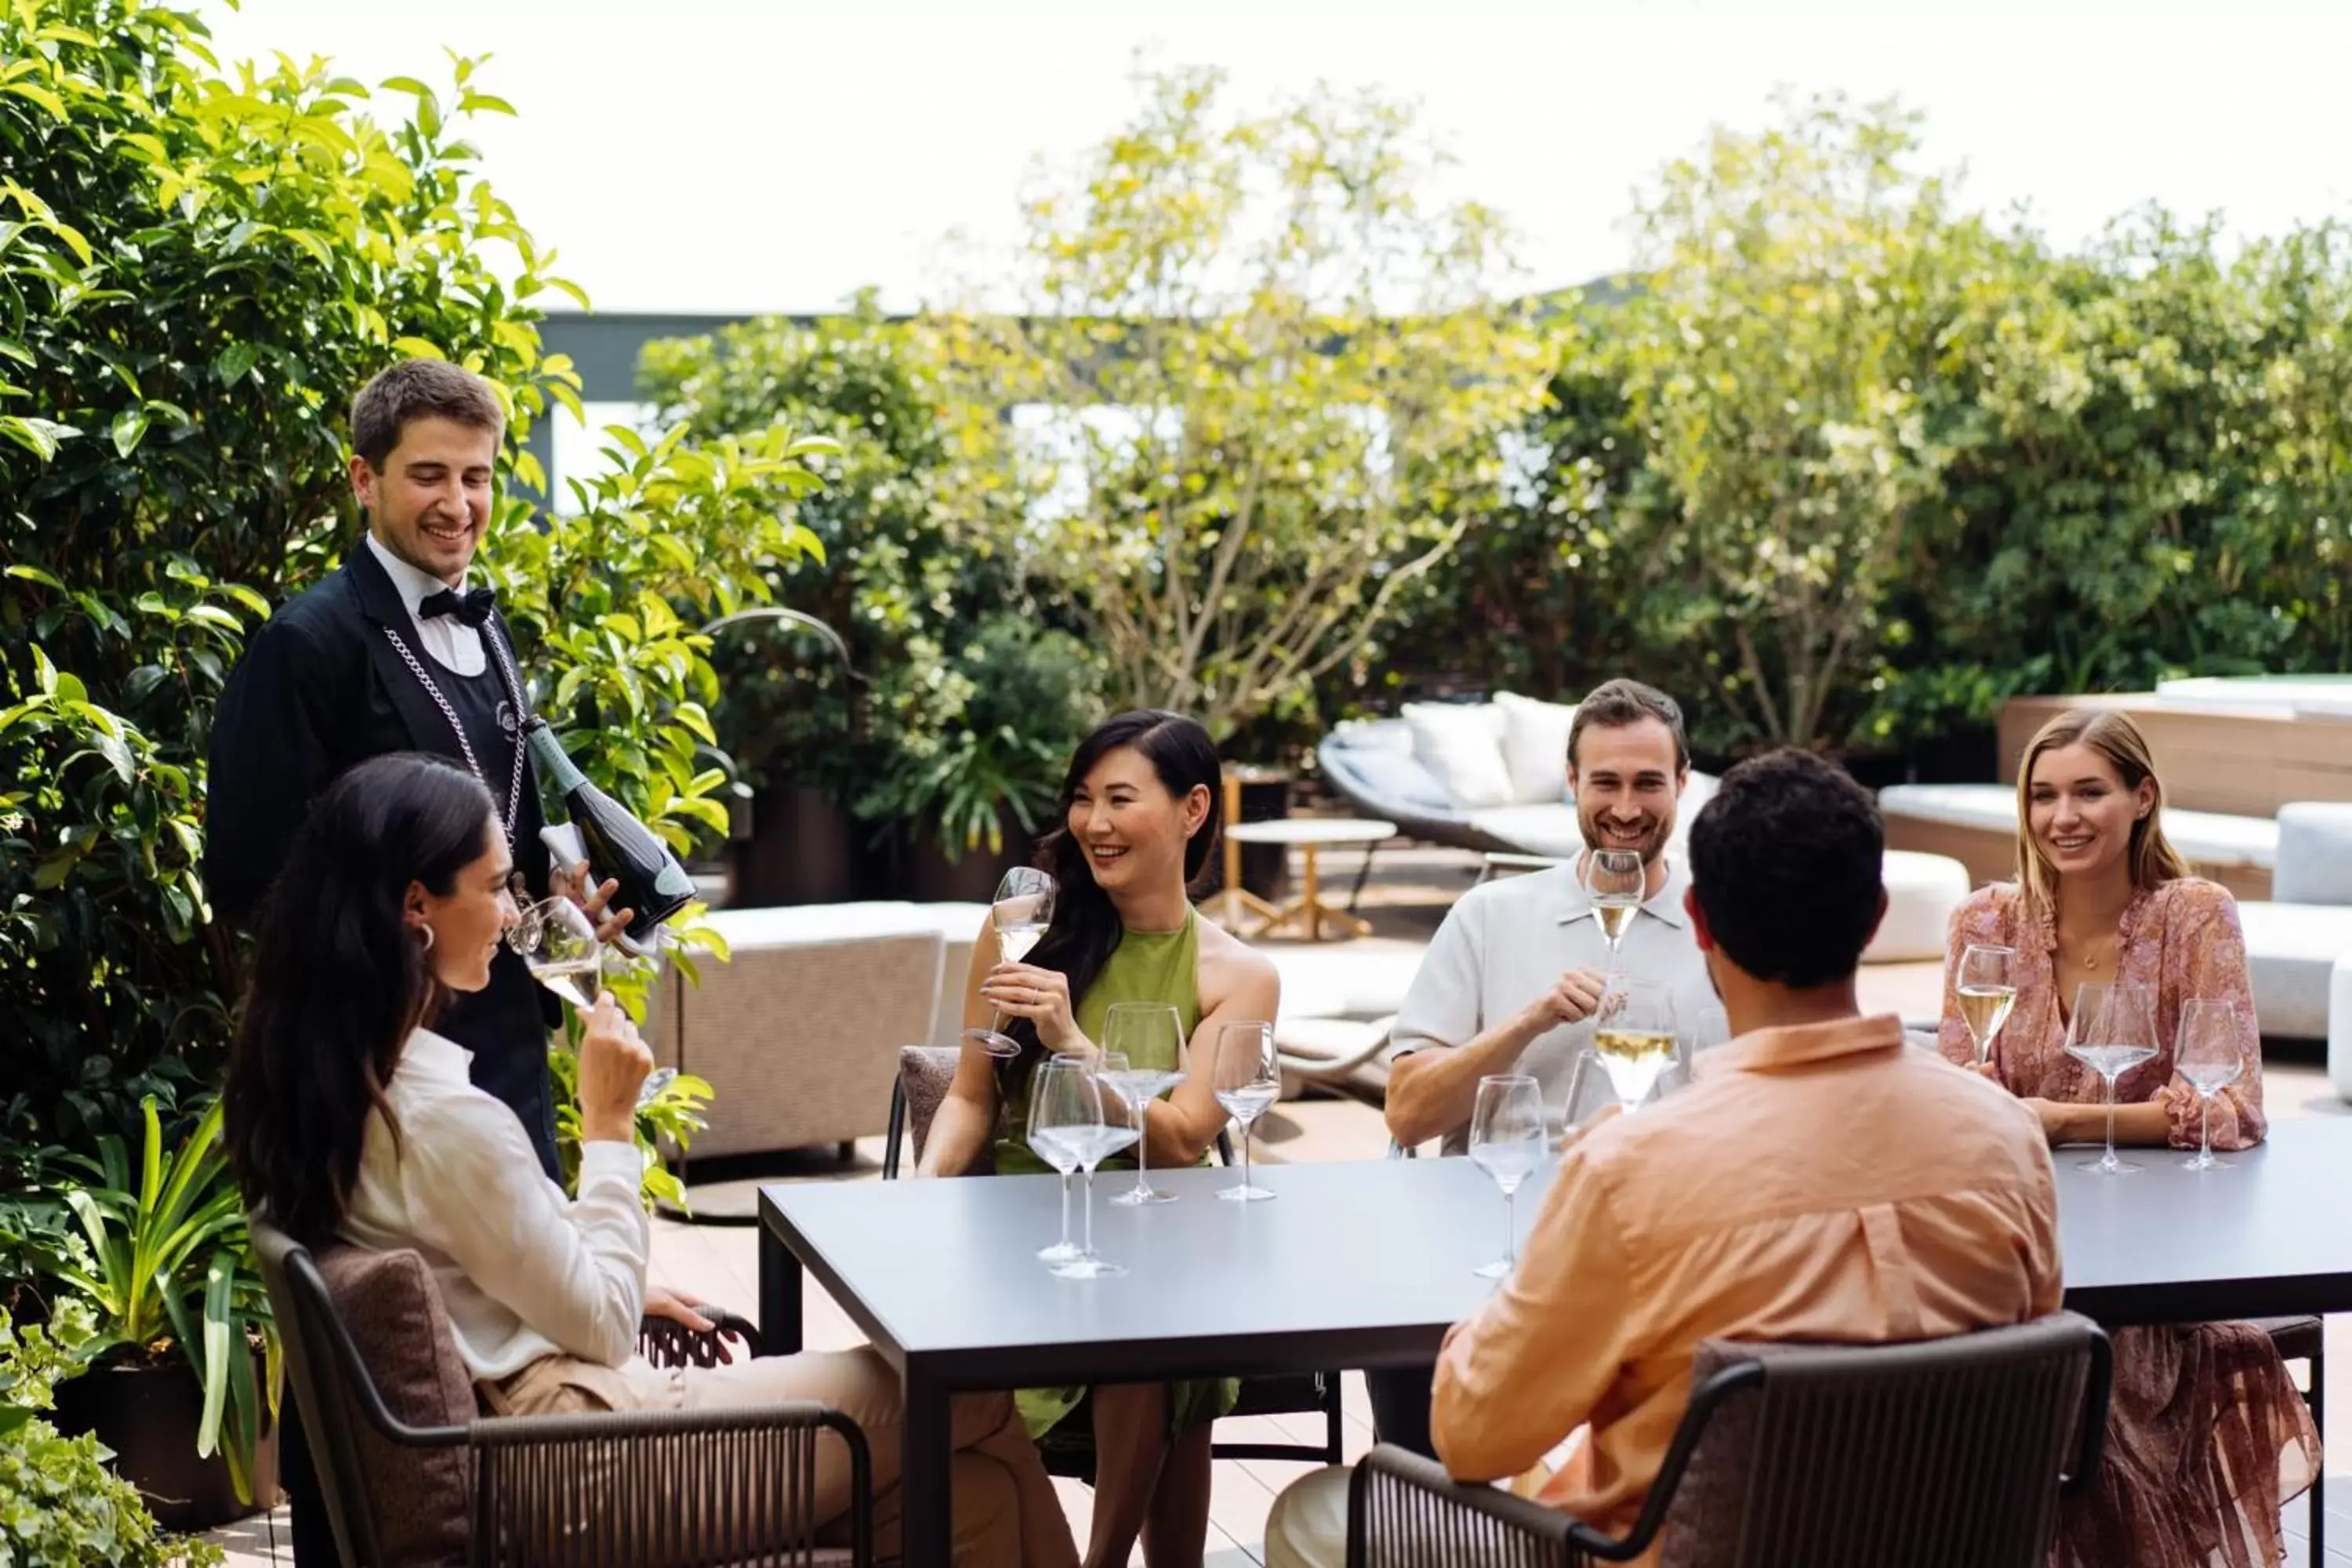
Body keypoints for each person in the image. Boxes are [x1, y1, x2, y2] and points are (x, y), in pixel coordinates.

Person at [222, 754, 1080, 1567]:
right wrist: (607, 1123)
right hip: (582, 1457)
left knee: (975, 1499)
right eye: (494, 887)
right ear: (418, 905)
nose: (515, 913)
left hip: (547, 1432)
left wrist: (583, 1267)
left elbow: (473, 1264)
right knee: (964, 1385)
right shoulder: (440, 1114)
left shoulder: (333, 1084)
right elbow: (598, 1317)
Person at [1267, 749, 2063, 1568]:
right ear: (1875, 917)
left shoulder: (1632, 1169)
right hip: (1938, 1546)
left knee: (1316, 1513)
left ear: (1701, 922)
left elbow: (1470, 1436)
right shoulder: (2005, 1137)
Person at [205, 358, 660, 1564]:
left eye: (477, 477)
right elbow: (249, 874)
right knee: (370, 1387)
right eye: (427, 477)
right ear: (364, 479)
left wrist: (536, 903)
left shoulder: (489, 624)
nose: (457, 503)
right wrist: (381, 982)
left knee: (509, 1319)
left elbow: (477, 824)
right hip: (378, 1063)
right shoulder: (306, 646)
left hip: (498, 1043)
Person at [1939, 708, 2319, 1568]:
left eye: (2088, 791)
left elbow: (2235, 1108)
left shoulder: (2194, 917)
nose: (2062, 817)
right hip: (2018, 1235)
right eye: (2043, 795)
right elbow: (1961, 1091)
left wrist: (2067, 1119)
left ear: (2141, 797)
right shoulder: (1985, 924)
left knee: (2084, 1374)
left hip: (2159, 1252)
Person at [919, 709, 1281, 1568]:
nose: (1094, 823)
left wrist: (1077, 1041)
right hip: (1025, 1220)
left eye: (1121, 798)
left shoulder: (1239, 973)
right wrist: (921, 1199)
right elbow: (972, 1095)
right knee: (1166, 1335)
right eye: (1083, 798)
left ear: (1194, 810)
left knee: (1159, 1318)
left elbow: (1185, 1138)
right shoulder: (1022, 922)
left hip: (1156, 1227)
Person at [1369, 677, 1717, 1457]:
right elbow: (1408, 1113)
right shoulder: (1491, 915)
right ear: (1571, 782)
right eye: (1605, 781)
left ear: (1682, 784)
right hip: (1494, 1249)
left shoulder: (1723, 926)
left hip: (1672, 1256)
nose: (1626, 806)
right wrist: (1528, 1020)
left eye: (1648, 782)